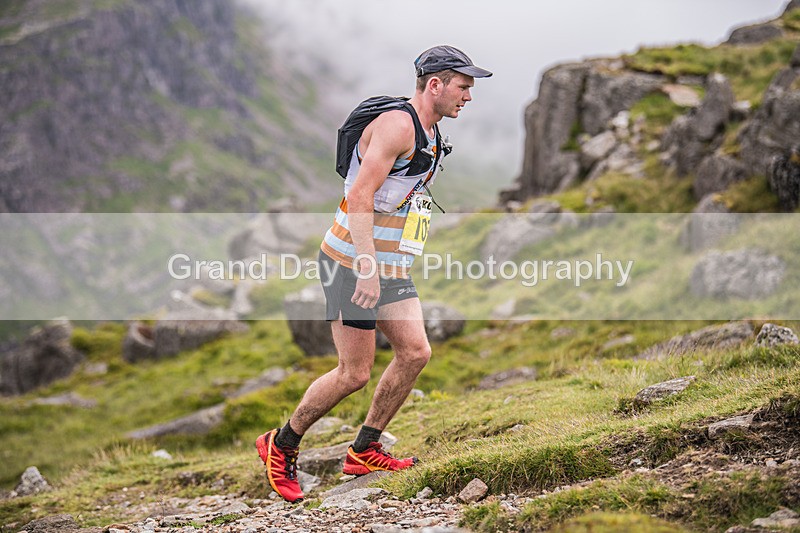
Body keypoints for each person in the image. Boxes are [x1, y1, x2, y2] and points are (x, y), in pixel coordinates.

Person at [256, 45, 492, 503]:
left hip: (388, 263)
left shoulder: (431, 129)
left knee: (415, 352)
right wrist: (366, 267)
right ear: (435, 84)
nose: (468, 96)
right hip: (351, 261)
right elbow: (361, 196)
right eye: (463, 87)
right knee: (353, 373)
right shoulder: (397, 126)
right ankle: (280, 444)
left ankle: (364, 449)